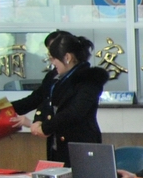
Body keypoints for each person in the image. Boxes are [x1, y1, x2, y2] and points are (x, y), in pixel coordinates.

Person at [10, 30, 108, 165]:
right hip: (58, 146)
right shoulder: (57, 79)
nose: (52, 63)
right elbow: (43, 100)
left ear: (67, 57)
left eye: (53, 58)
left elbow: (74, 112)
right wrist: (38, 120)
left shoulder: (89, 80)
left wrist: (45, 127)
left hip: (81, 149)